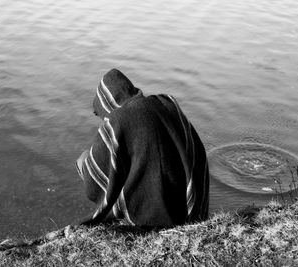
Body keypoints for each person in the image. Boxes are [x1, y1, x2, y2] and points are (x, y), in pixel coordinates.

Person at [76, 69, 209, 227]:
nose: (103, 119)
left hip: (152, 217)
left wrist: (84, 163)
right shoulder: (166, 102)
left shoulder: (117, 122)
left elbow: (93, 187)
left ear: (106, 104)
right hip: (187, 204)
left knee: (84, 160)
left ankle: (136, 212)